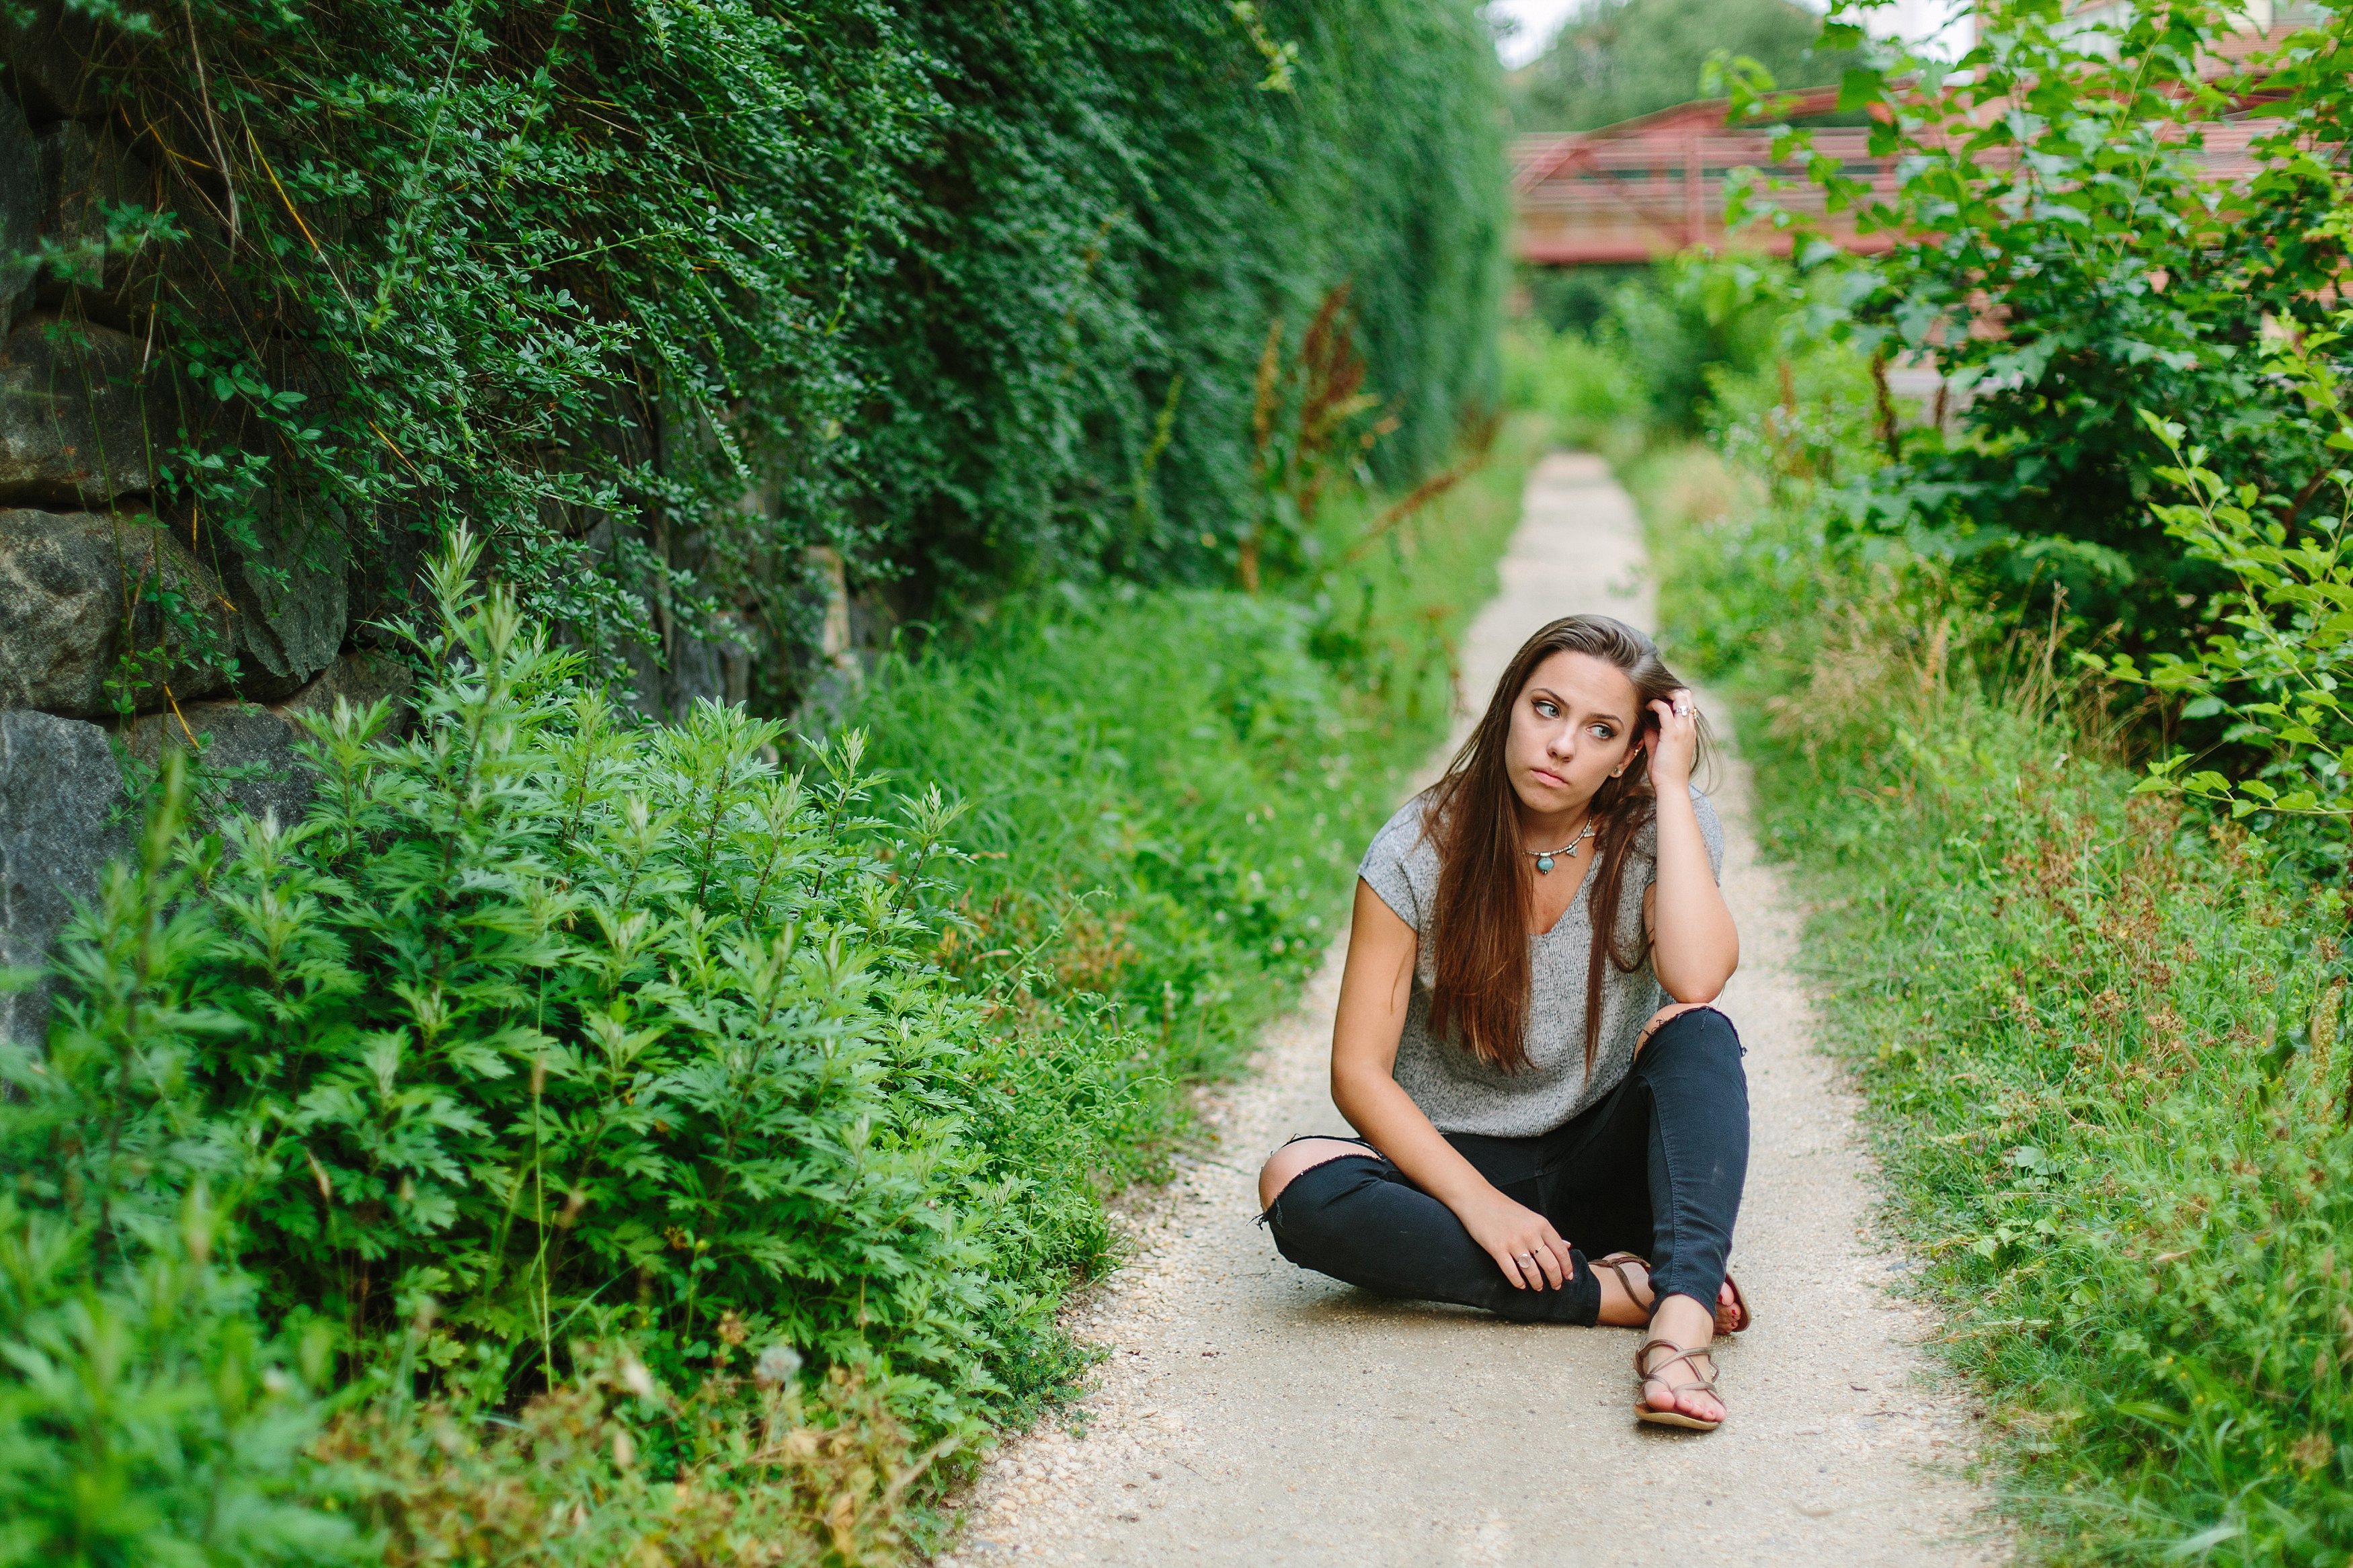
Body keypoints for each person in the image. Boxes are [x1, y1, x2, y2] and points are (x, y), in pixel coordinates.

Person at [1256, 614, 1749, 1431]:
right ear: (1506, 708)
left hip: (1605, 1162)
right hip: (1454, 1173)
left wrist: (1668, 788)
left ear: (1632, 750)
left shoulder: (1665, 824)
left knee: (1697, 1030)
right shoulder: (1416, 849)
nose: (1561, 745)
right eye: (1545, 708)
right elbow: (1357, 1074)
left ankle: (1681, 1324)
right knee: (1295, 1179)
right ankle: (1610, 1292)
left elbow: (1695, 976)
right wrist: (1484, 1206)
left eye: (1600, 730)